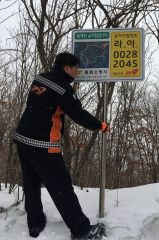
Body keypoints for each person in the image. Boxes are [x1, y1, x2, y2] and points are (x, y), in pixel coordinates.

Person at [13, 52, 109, 239]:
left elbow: (38, 104)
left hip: (23, 138)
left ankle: (35, 223)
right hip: (43, 144)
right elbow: (78, 114)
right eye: (75, 69)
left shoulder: (40, 77)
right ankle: (81, 230)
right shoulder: (63, 89)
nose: (77, 72)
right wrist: (99, 125)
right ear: (67, 68)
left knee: (31, 183)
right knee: (61, 186)